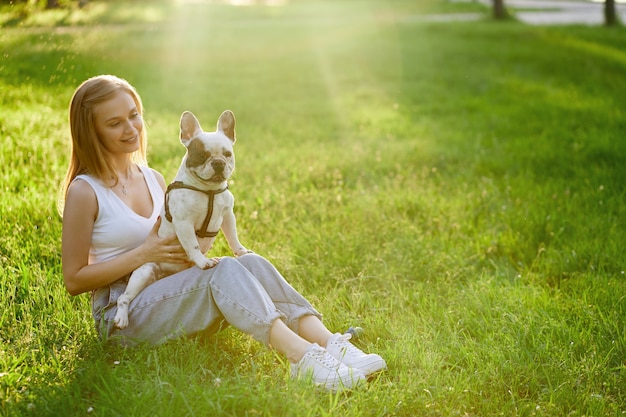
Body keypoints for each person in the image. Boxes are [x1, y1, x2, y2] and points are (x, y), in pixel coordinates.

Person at [59, 74, 386, 391]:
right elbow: (74, 280)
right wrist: (143, 255)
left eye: (134, 116)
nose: (130, 128)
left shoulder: (154, 178)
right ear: (91, 131)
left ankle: (334, 346)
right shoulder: (85, 191)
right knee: (224, 268)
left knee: (251, 262)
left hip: (170, 287)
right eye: (114, 123)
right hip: (122, 313)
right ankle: (302, 359)